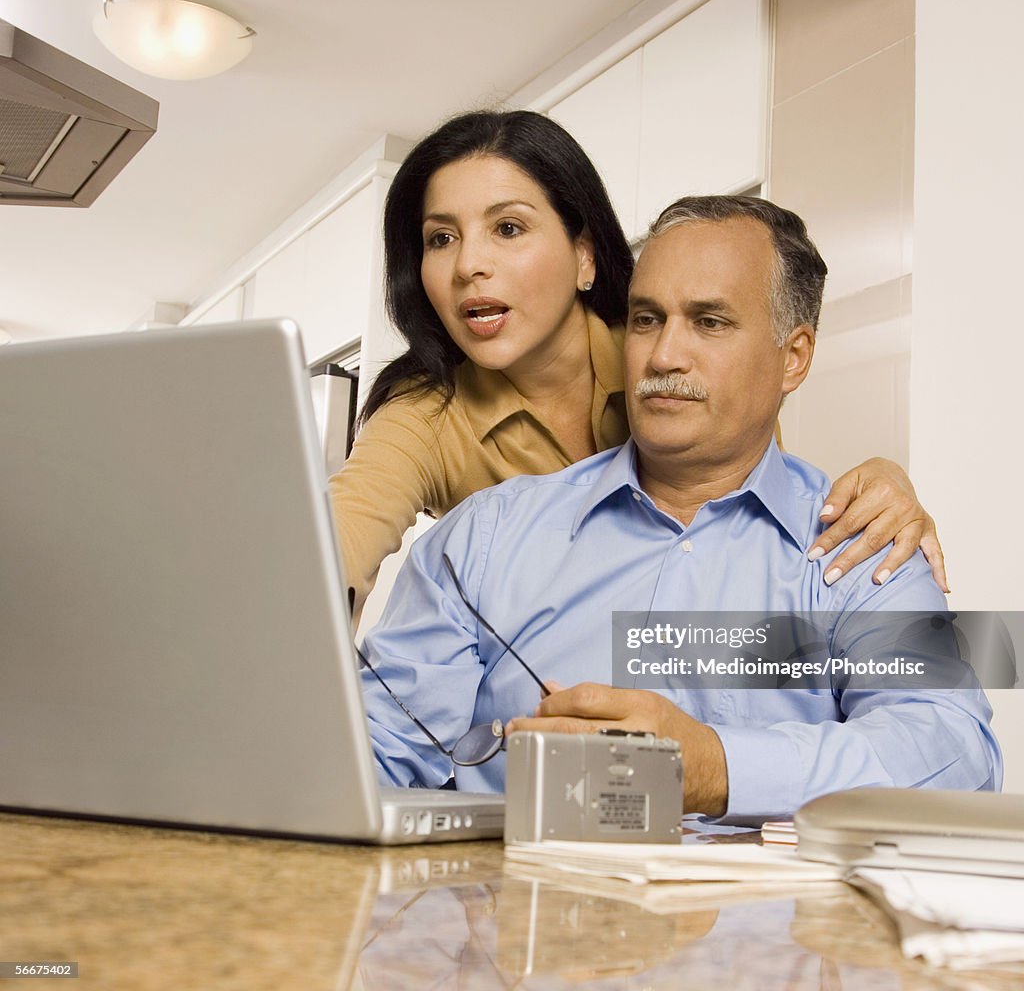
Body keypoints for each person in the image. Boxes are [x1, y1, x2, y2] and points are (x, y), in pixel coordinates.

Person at [358, 195, 1000, 826]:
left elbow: (956, 751)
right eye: (645, 319)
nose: (663, 357)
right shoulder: (482, 538)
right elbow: (375, 751)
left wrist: (718, 768)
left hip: (762, 929)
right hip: (508, 918)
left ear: (794, 357)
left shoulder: (862, 544)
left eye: (710, 322)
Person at [329, 111, 945, 622]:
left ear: (585, 256)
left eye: (508, 227)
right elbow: (333, 553)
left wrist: (884, 483)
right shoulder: (424, 421)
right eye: (441, 238)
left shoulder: (671, 354)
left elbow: (764, 516)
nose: (468, 266)